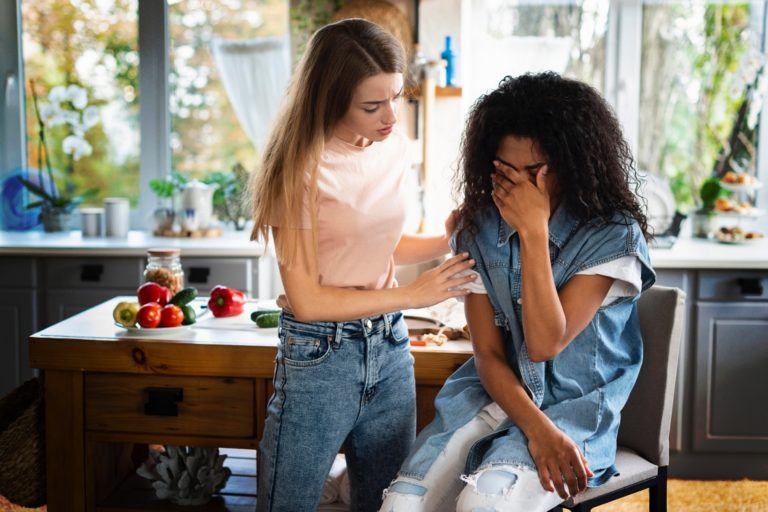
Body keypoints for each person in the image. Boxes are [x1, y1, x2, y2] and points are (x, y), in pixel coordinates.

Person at [380, 72, 656, 511]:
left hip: (572, 410)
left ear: (572, 163)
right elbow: (487, 355)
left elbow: (545, 343)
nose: (524, 188)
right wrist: (536, 430)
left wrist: (533, 231)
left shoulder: (612, 235)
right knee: (401, 504)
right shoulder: (479, 227)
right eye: (509, 173)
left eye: (537, 173)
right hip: (491, 396)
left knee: (484, 504)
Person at [249, 18, 477, 512]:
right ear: (330, 100)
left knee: (386, 503)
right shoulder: (299, 169)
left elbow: (382, 248)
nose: (391, 116)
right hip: (320, 360)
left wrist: (453, 236)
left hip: (390, 350)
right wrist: (414, 295)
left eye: (396, 96)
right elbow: (307, 301)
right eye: (372, 105)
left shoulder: (391, 145)